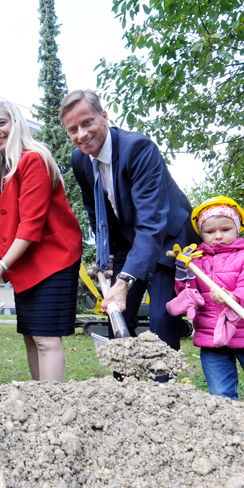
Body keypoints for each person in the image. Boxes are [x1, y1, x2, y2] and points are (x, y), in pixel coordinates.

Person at [61, 90, 199, 355]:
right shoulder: (79, 159)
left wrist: (124, 281)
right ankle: (124, 387)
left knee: (161, 317)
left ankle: (163, 389)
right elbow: (96, 212)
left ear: (103, 116)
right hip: (130, 239)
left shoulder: (138, 148)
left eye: (87, 122)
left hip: (169, 237)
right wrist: (108, 255)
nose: (81, 134)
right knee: (119, 314)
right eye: (72, 129)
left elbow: (151, 221)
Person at [0, 100, 83, 383]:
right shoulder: (5, 172)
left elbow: (30, 225)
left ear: (16, 123)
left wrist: (0, 266)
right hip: (28, 266)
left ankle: (50, 411)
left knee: (46, 340)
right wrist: (1, 265)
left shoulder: (33, 159)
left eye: (2, 123)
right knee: (32, 338)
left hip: (53, 261)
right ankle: (40, 406)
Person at [166, 197, 244, 406]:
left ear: (237, 229)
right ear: (201, 234)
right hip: (212, 338)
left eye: (225, 229)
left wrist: (235, 297)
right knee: (221, 398)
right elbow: (187, 294)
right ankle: (228, 428)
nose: (218, 236)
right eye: (210, 232)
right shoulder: (196, 261)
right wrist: (183, 271)